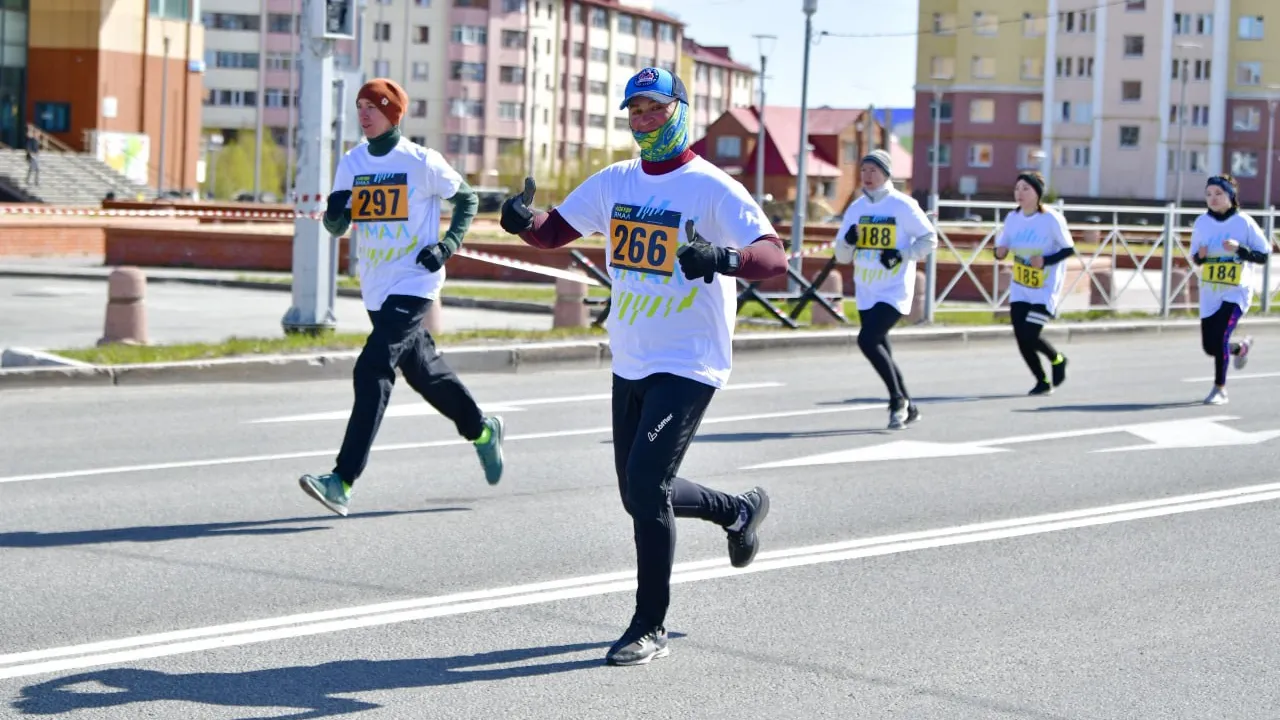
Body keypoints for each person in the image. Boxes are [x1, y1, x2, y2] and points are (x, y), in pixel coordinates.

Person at [498, 67, 786, 666]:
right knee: (637, 492)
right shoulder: (615, 182)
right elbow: (557, 232)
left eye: (655, 108)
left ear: (681, 111)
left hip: (688, 360)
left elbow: (772, 257)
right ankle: (736, 511)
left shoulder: (711, 187)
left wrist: (723, 257)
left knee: (647, 484)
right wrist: (524, 223)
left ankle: (648, 624)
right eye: (635, 111)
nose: (644, 120)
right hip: (630, 356)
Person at [297, 78, 506, 517]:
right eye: (359, 106)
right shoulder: (351, 163)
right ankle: (482, 431)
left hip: (415, 282)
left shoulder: (420, 161)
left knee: (372, 368)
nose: (364, 113)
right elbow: (338, 227)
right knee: (425, 372)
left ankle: (343, 480)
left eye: (373, 106)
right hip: (376, 286)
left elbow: (467, 199)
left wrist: (446, 246)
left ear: (393, 112)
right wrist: (336, 216)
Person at [834, 150, 937, 429]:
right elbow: (842, 256)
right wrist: (848, 240)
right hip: (866, 289)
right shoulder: (855, 209)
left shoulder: (902, 205)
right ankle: (910, 406)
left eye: (873, 171)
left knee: (867, 341)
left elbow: (929, 239)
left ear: (886, 173)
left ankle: (896, 400)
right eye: (864, 170)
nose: (867, 176)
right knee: (881, 348)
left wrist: (901, 255)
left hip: (893, 290)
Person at [993, 171, 1075, 395]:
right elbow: (1002, 246)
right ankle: (1041, 381)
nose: (1019, 193)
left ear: (1038, 193)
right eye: (1017, 188)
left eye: (1025, 189)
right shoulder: (1012, 218)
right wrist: (999, 252)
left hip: (1044, 287)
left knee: (1030, 334)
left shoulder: (1051, 218)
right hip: (1020, 286)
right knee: (1021, 338)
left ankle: (1057, 359)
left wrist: (1045, 260)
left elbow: (1069, 249)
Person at [1189, 174, 1267, 405]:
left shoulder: (1244, 222)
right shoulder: (1201, 222)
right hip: (1210, 292)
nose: (1212, 198)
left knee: (1221, 335)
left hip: (1236, 291)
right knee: (1210, 347)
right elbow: (1195, 258)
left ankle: (1219, 389)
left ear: (1231, 196)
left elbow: (1263, 254)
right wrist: (1200, 257)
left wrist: (1241, 249)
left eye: (1218, 194)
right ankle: (1240, 348)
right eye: (1208, 194)